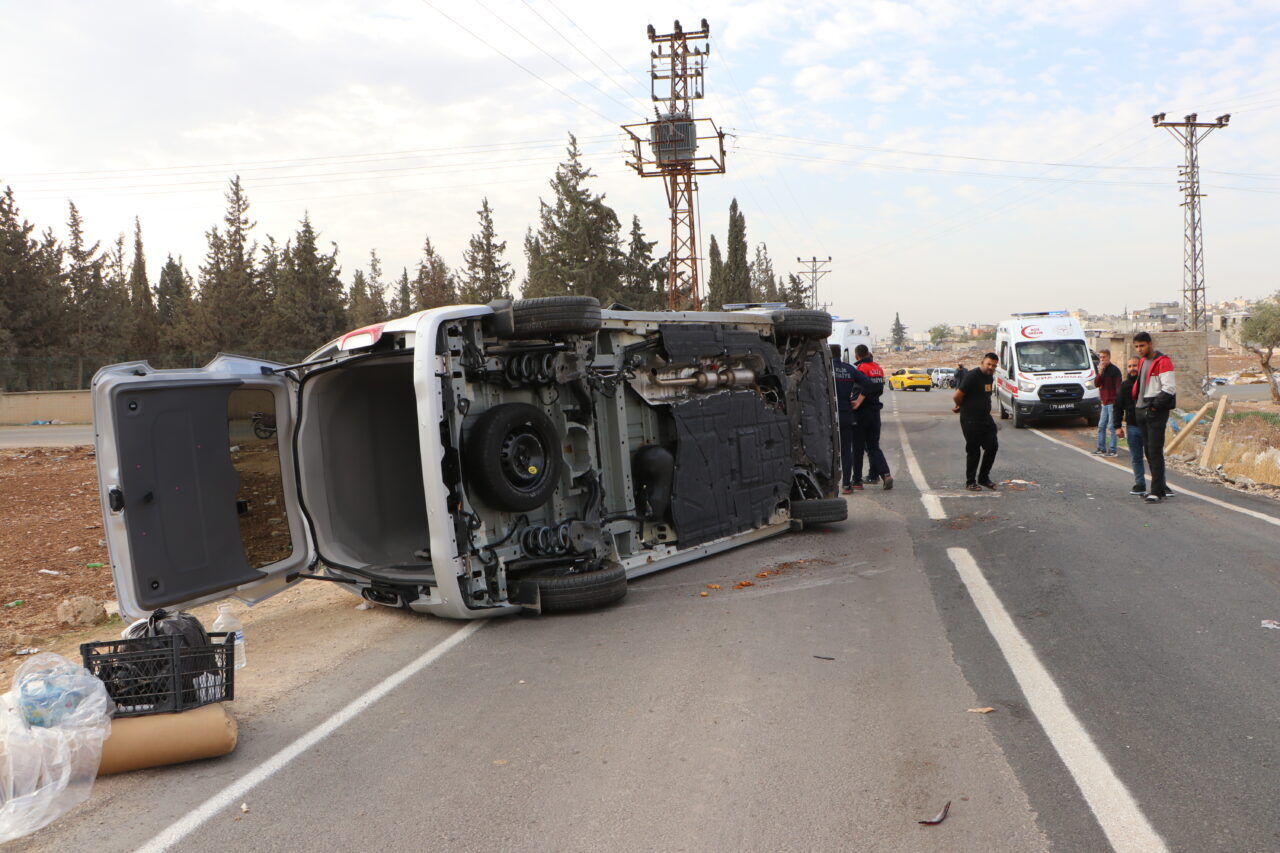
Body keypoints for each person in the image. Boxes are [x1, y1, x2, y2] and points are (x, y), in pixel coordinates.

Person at [1132, 332, 1177, 503]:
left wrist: (1154, 407)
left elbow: (1169, 388)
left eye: (1142, 346)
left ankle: (1157, 491)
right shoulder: (1142, 362)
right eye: (1137, 346)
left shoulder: (1163, 361)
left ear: (1150, 344)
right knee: (1148, 451)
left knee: (1155, 451)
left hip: (1155, 410)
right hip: (1142, 409)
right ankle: (1159, 488)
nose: (1139, 349)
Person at [953, 352, 999, 490]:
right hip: (970, 418)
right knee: (974, 450)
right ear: (982, 363)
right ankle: (970, 482)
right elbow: (957, 395)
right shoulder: (972, 376)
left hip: (985, 418)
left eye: (994, 365)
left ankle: (984, 478)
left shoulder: (990, 377)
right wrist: (960, 406)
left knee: (992, 446)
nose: (991, 367)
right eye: (989, 364)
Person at [831, 345, 873, 494]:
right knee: (846, 450)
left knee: (828, 450)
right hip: (845, 413)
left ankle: (829, 486)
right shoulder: (849, 369)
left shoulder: (825, 369)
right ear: (840, 354)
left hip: (828, 415)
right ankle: (846, 485)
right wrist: (858, 400)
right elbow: (868, 383)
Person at [851, 344, 892, 490]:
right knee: (874, 446)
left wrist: (854, 402)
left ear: (857, 356)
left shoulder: (861, 369)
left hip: (862, 412)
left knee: (857, 447)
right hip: (875, 411)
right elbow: (879, 390)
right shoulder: (878, 368)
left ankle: (857, 481)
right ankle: (886, 474)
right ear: (868, 353)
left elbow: (859, 390)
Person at [1113, 355, 1146, 496]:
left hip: (1149, 427)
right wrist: (1117, 426)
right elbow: (1117, 407)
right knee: (1136, 458)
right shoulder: (1124, 386)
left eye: (1135, 365)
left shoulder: (1147, 383)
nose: (1133, 369)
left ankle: (1160, 484)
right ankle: (1140, 484)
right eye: (1130, 366)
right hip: (1132, 427)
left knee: (1154, 457)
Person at [1094, 349, 1122, 456]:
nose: (1102, 359)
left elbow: (1118, 388)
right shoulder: (1101, 370)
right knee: (1101, 426)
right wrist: (1100, 373)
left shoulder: (1115, 371)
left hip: (1112, 403)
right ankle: (1101, 448)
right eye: (1100, 357)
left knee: (1112, 426)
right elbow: (1096, 384)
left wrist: (1117, 402)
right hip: (1104, 402)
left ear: (1109, 357)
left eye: (1104, 357)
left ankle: (1113, 450)